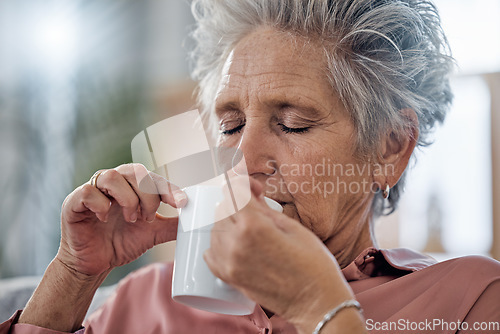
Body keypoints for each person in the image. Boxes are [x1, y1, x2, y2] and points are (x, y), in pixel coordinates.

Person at [2, 0, 500, 333]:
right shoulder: (146, 300)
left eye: (293, 124)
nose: (242, 159)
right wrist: (73, 273)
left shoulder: (471, 299)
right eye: (232, 124)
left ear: (390, 147)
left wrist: (317, 305)